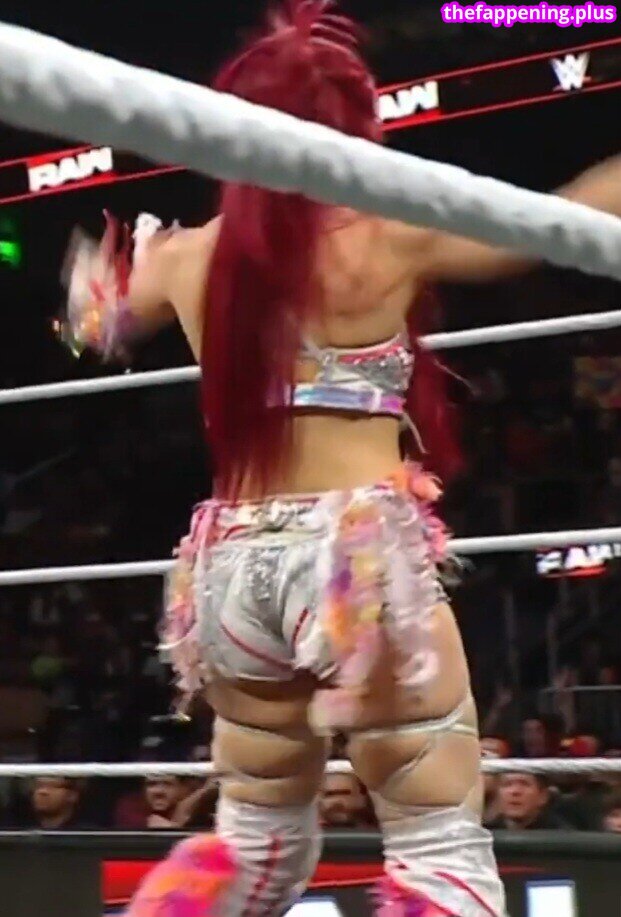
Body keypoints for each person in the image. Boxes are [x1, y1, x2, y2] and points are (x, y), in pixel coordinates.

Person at [62, 1, 621, 913]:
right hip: (350, 563)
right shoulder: (385, 232)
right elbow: (552, 223)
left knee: (253, 843)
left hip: (229, 566)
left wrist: (93, 276)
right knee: (437, 840)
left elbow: (93, 324)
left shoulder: (189, 256)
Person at [488, 773, 573, 831]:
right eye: (507, 784)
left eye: (525, 784)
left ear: (543, 796)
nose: (515, 791)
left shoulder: (562, 835)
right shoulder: (486, 832)